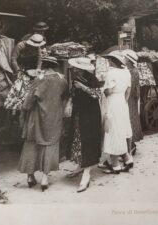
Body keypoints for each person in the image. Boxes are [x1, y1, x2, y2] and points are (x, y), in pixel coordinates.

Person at [18, 56, 69, 192]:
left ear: (43, 67)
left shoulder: (39, 80)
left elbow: (28, 103)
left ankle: (30, 177)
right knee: (50, 145)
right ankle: (45, 179)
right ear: (55, 66)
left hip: (36, 118)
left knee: (32, 144)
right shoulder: (62, 80)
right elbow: (65, 97)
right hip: (54, 117)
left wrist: (24, 112)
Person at [66, 57, 102, 193]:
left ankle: (86, 174)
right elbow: (73, 94)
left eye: (76, 67)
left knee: (88, 142)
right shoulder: (75, 78)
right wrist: (69, 102)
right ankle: (80, 166)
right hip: (79, 113)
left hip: (90, 115)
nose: (74, 69)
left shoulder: (92, 79)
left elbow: (97, 95)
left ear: (82, 68)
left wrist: (83, 87)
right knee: (78, 140)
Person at [102, 51, 134, 174]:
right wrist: (124, 101)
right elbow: (128, 89)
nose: (108, 61)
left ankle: (115, 165)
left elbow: (108, 91)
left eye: (110, 59)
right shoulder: (126, 72)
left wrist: (104, 91)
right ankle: (127, 158)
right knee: (119, 129)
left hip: (113, 102)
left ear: (113, 61)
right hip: (121, 102)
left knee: (112, 130)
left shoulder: (111, 73)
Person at [122, 49, 143, 155]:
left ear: (129, 60)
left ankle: (132, 144)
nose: (123, 59)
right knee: (128, 119)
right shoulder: (128, 70)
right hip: (128, 96)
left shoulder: (134, 71)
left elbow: (131, 87)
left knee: (131, 118)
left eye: (125, 58)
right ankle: (128, 145)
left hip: (130, 97)